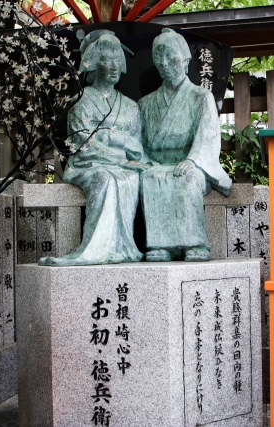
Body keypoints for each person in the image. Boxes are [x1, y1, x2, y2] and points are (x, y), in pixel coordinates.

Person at [39, 30, 147, 266]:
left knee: (130, 179)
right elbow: (83, 142)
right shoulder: (82, 101)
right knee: (104, 179)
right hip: (89, 165)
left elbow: (137, 146)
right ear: (95, 64)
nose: (114, 66)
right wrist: (119, 150)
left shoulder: (130, 106)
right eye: (107, 60)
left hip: (124, 167)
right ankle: (93, 249)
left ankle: (122, 246)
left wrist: (111, 139)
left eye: (117, 60)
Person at [138, 28, 232, 262]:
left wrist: (193, 161)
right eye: (158, 56)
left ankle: (195, 243)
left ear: (185, 60)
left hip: (191, 163)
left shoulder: (201, 97)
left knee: (188, 178)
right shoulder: (146, 104)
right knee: (150, 177)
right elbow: (137, 142)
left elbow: (207, 136)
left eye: (170, 55)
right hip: (157, 163)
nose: (164, 62)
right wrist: (146, 161)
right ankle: (159, 246)